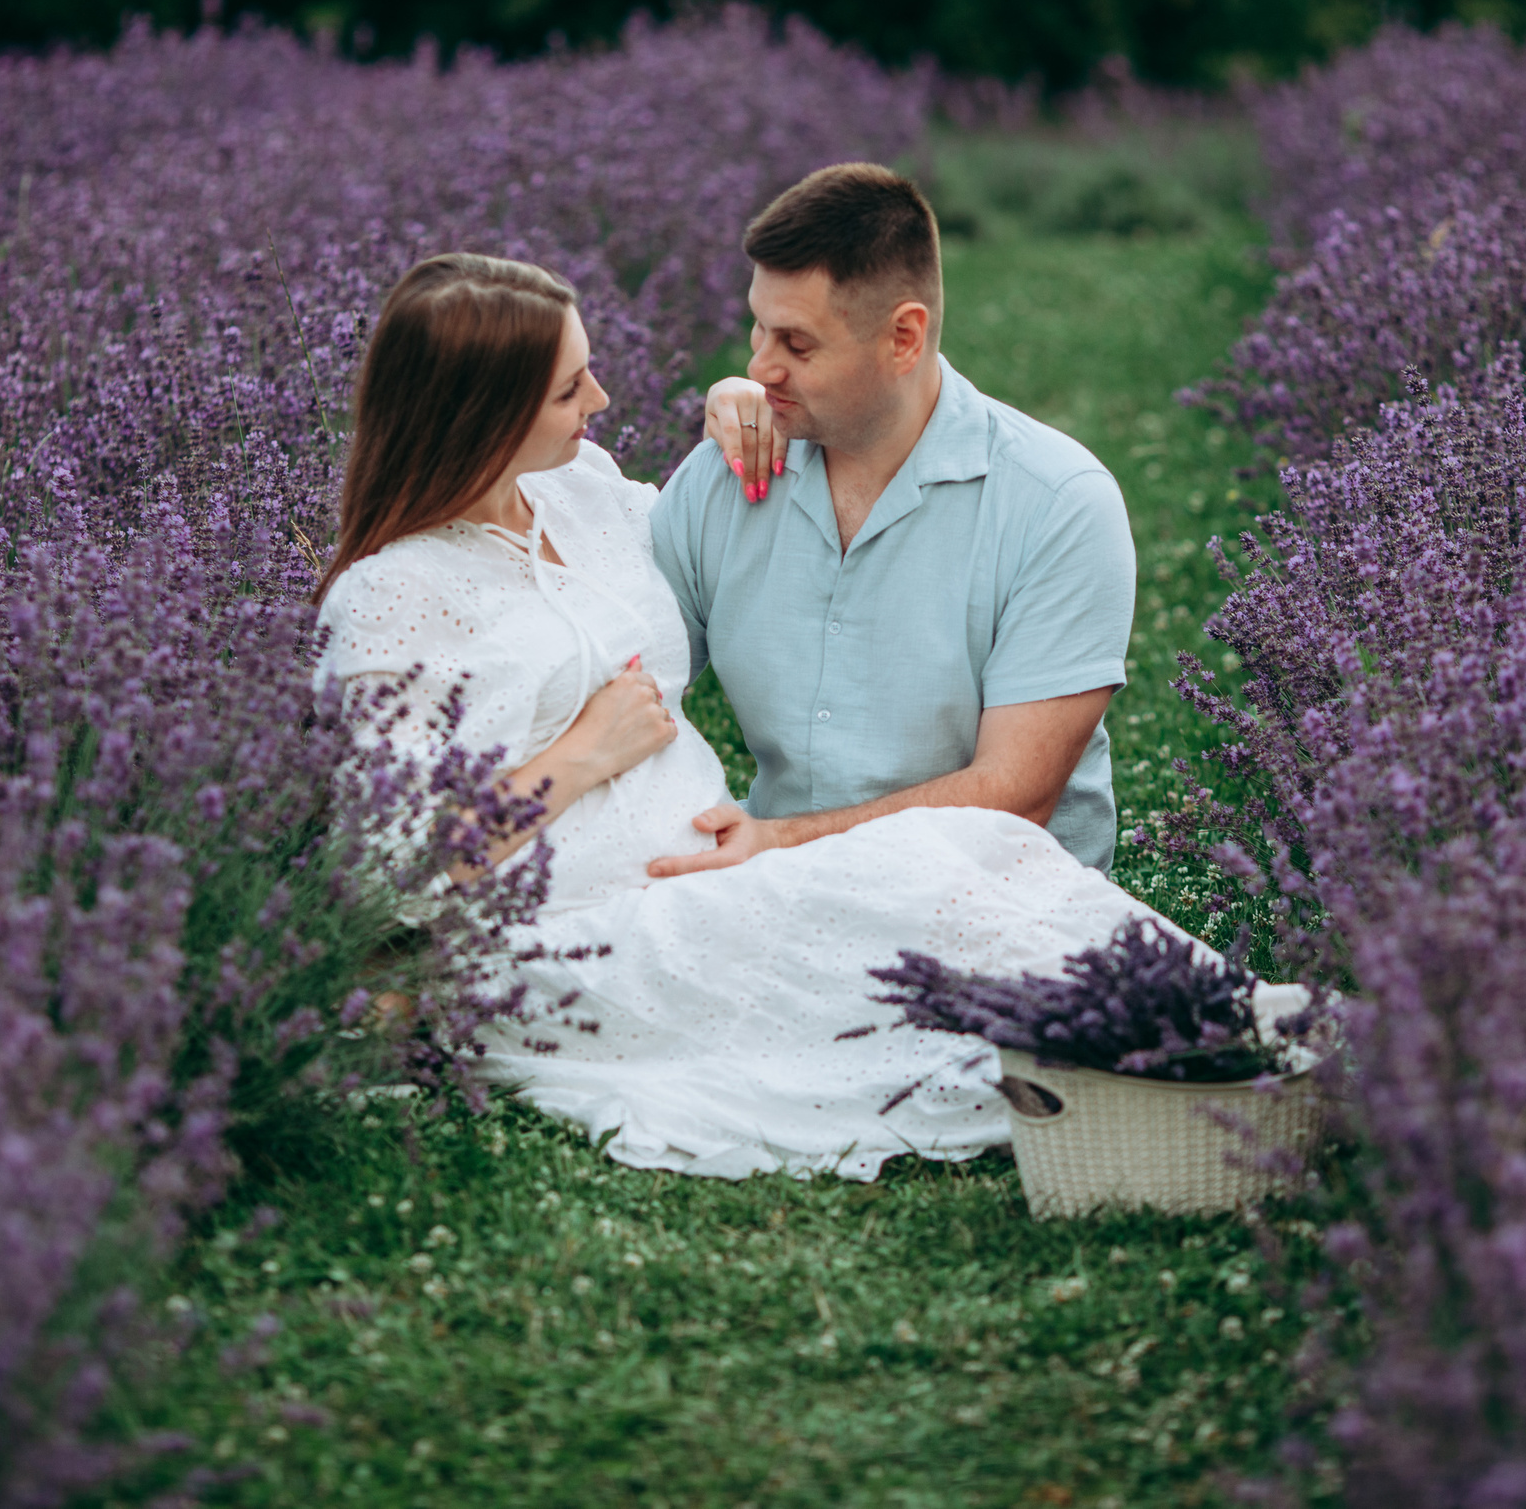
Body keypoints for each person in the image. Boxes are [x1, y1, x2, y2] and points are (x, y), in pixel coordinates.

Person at [312, 251, 1239, 1180]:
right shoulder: (393, 597)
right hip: (580, 930)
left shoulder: (580, 490)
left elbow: (698, 541)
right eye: (568, 389)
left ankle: (1223, 1025)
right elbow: (393, 867)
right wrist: (580, 757)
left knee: (969, 852)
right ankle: (1173, 1062)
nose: (600, 398)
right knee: (903, 946)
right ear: (484, 414)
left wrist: (743, 401)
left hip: (719, 870)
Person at [651, 163, 1136, 876]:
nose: (759, 367)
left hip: (996, 897)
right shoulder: (720, 476)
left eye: (797, 344)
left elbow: (1015, 797)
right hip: (774, 886)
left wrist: (780, 842)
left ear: (905, 337)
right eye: (758, 327)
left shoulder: (1058, 503)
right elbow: (624, 684)